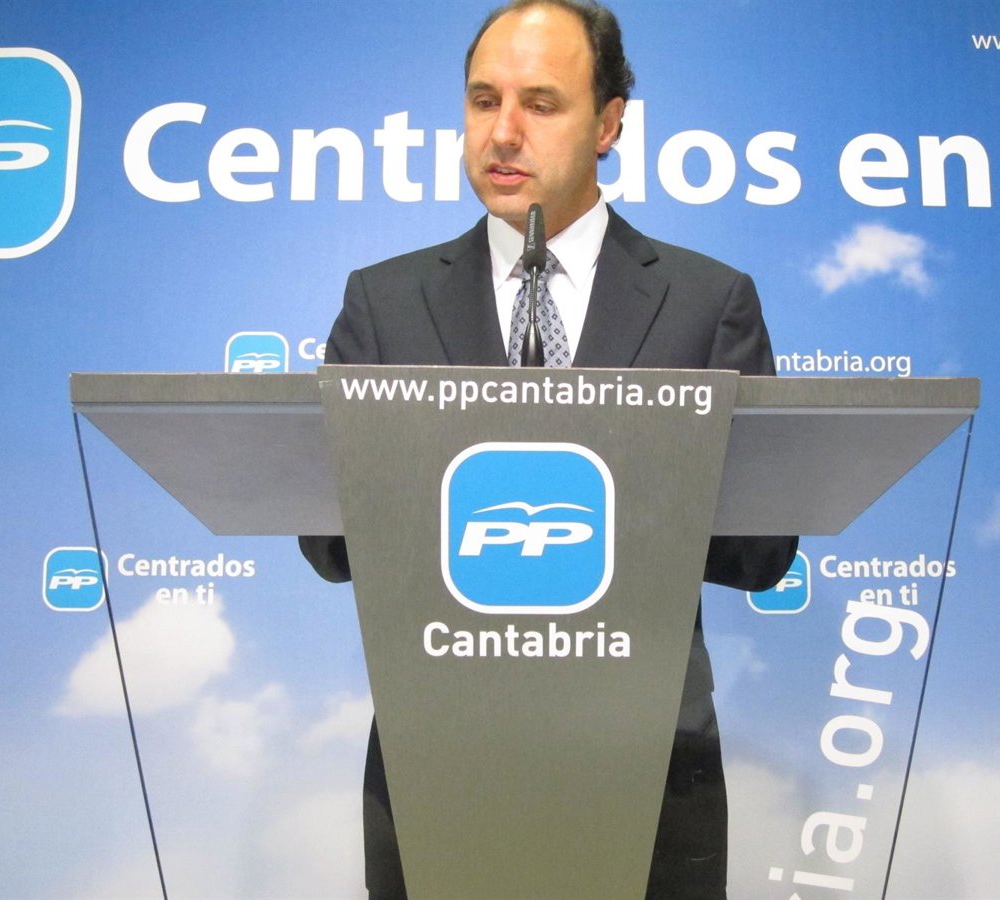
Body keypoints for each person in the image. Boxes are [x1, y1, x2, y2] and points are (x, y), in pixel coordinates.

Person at [300, 1, 798, 896]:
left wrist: (612, 489)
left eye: (540, 103)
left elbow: (761, 551)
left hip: (649, 768)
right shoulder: (384, 303)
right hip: (438, 763)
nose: (503, 132)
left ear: (608, 124)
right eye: (483, 100)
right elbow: (329, 542)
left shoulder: (706, 302)